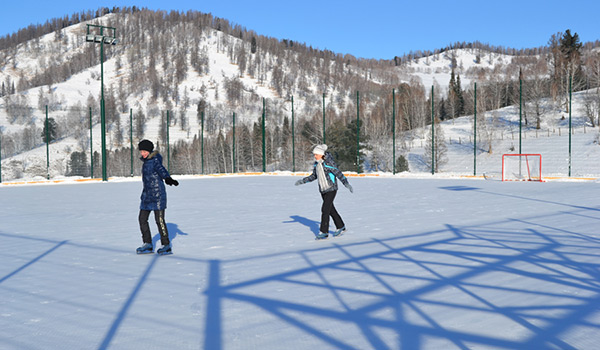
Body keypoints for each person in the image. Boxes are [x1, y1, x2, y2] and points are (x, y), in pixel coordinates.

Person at [295, 144, 353, 239]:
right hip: (323, 190)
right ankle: (340, 226)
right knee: (331, 210)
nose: (315, 156)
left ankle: (324, 232)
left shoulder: (328, 163)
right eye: (314, 154)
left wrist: (346, 183)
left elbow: (338, 173)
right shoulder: (317, 164)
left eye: (316, 154)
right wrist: (303, 181)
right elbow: (314, 176)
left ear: (321, 154)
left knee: (325, 209)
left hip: (331, 189)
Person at [135, 139, 179, 255]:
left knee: (159, 220)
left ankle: (166, 245)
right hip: (147, 196)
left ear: (149, 151)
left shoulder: (155, 160)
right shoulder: (146, 162)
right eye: (141, 151)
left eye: (144, 151)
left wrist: (168, 178)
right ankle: (147, 244)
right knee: (142, 219)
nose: (142, 153)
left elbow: (161, 169)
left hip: (158, 195)